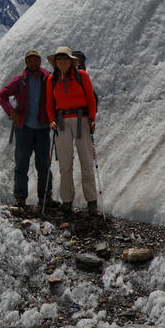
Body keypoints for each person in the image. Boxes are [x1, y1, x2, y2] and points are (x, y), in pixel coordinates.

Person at [0, 49, 53, 211]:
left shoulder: (47, 78)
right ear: (26, 63)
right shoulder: (21, 80)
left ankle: (45, 197)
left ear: (40, 61)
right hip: (25, 129)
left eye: (36, 60)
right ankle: (21, 198)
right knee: (22, 164)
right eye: (30, 60)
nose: (33, 63)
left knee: (43, 165)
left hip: (42, 129)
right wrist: (11, 112)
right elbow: (2, 95)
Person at [45, 46, 98, 215]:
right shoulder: (51, 80)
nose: (62, 61)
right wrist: (51, 119)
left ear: (71, 61)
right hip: (61, 122)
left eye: (65, 59)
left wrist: (92, 118)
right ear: (56, 62)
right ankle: (67, 200)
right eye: (59, 59)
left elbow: (90, 98)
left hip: (81, 120)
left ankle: (91, 201)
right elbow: (49, 104)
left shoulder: (81, 76)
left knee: (86, 161)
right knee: (65, 163)